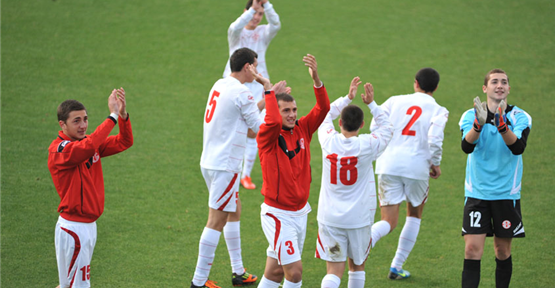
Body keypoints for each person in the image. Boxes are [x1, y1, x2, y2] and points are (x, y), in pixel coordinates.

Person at [253, 54, 330, 288]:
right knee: (294, 273)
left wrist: (316, 79)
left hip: (300, 213)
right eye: (286, 110)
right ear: (276, 112)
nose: (292, 114)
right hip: (277, 215)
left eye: (294, 109)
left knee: (275, 272)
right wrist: (268, 91)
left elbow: (323, 107)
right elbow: (273, 121)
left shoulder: (303, 129)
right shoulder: (268, 137)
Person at [192, 47, 264, 288]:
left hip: (210, 161)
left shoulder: (220, 84)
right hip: (226, 165)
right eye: (256, 65)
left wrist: (261, 102)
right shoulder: (243, 93)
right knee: (216, 220)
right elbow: (257, 131)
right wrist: (272, 96)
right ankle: (199, 282)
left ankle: (238, 271)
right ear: (247, 67)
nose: (258, 70)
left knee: (234, 209)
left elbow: (240, 114)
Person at [48, 88, 133, 288]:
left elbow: (124, 141)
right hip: (74, 230)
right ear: (63, 124)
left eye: (85, 119)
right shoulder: (60, 150)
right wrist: (111, 116)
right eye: (76, 121)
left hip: (88, 227)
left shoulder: (87, 144)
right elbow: (87, 148)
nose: (83, 125)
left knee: (70, 285)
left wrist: (122, 115)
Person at [369, 68, 449, 280]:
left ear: (415, 83)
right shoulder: (439, 110)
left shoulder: (394, 101)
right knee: (414, 215)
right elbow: (434, 139)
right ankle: (396, 266)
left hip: (388, 165)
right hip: (417, 168)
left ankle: (363, 241)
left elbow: (374, 125)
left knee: (388, 221)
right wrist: (436, 164)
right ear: (436, 87)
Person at [315, 77, 393, 288]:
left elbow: (323, 116)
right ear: (362, 124)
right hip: (359, 218)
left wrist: (347, 98)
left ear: (340, 123)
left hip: (329, 217)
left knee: (333, 270)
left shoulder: (329, 140)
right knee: (357, 265)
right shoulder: (367, 144)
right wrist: (372, 105)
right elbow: (387, 128)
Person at [459, 69, 531, 288]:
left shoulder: (519, 116)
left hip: (505, 194)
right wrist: (478, 125)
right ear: (485, 88)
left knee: (502, 251)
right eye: (494, 82)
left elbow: (518, 147)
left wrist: (501, 126)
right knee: (472, 250)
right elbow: (466, 146)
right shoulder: (471, 115)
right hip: (477, 193)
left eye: (504, 82)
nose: (499, 85)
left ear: (509, 88)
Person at [224, 0, 281, 190]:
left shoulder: (263, 33)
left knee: (255, 131)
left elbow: (276, 24)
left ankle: (246, 174)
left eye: (260, 14)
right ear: (246, 12)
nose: (257, 18)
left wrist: (267, 5)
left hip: (258, 86)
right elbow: (234, 26)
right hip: (235, 84)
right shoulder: (236, 33)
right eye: (254, 13)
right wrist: (252, 10)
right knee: (234, 127)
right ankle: (230, 167)